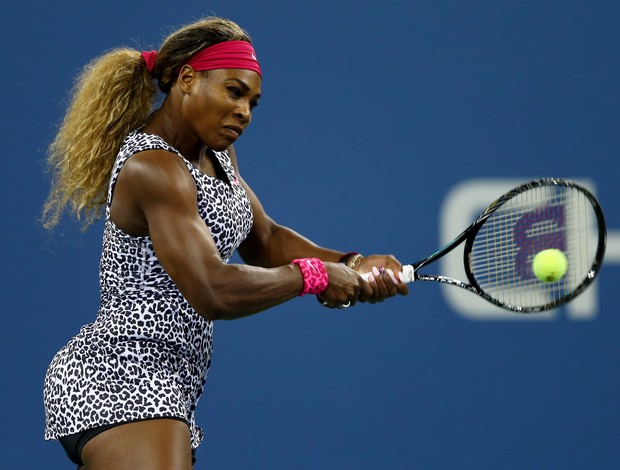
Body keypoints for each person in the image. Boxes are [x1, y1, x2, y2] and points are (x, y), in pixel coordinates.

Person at [42, 16, 408, 469]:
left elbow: (265, 239)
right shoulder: (154, 167)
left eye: (253, 102)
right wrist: (313, 276)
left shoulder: (216, 154)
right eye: (234, 92)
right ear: (188, 79)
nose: (244, 112)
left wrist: (351, 260)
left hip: (167, 386)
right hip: (120, 377)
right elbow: (212, 289)